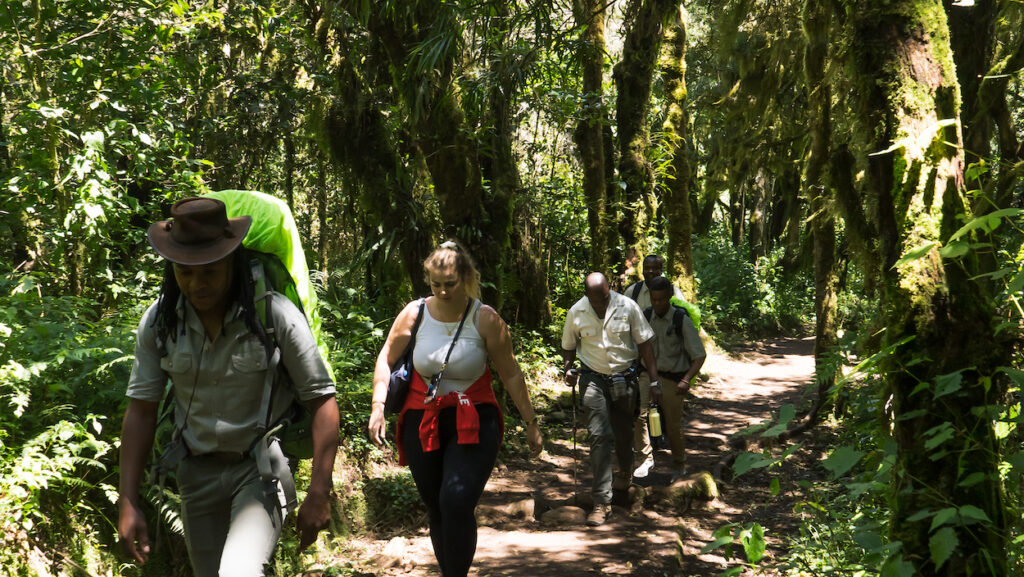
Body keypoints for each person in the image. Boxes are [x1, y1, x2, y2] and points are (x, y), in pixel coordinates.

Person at [118, 197, 339, 577]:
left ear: (232, 263)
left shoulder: (274, 315)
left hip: (259, 473)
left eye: (209, 271)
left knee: (238, 572)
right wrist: (128, 499)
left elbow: (322, 400)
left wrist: (319, 491)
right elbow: (141, 410)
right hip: (194, 477)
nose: (196, 283)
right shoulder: (160, 323)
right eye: (184, 272)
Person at [367, 240, 543, 577]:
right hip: (423, 418)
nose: (443, 291)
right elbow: (386, 359)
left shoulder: (486, 318)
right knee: (436, 507)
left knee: (456, 501)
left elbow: (510, 372)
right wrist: (377, 406)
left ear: (465, 278)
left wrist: (531, 422)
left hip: (474, 418)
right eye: (436, 284)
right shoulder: (414, 313)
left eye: (450, 284)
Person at [561, 272, 660, 526]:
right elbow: (569, 346)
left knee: (624, 432)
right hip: (592, 378)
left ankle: (625, 472)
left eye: (605, 298)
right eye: (597, 300)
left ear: (609, 291)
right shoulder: (577, 311)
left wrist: (655, 380)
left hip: (625, 378)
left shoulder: (628, 306)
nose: (602, 304)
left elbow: (645, 344)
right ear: (587, 295)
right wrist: (568, 368)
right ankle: (602, 502)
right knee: (598, 435)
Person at [623, 254, 685, 478]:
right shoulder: (633, 292)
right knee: (640, 411)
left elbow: (683, 320)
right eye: (646, 268)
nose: (649, 272)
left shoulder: (673, 291)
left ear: (662, 269)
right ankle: (645, 455)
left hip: (668, 362)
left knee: (666, 412)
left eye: (654, 269)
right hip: (640, 358)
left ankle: (673, 453)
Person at [640, 276, 706, 482]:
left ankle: (679, 463)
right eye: (653, 299)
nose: (657, 304)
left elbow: (699, 355)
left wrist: (686, 380)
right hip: (646, 376)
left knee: (672, 424)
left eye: (661, 299)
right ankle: (645, 460)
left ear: (669, 297)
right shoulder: (645, 316)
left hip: (671, 379)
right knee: (640, 417)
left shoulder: (681, 320)